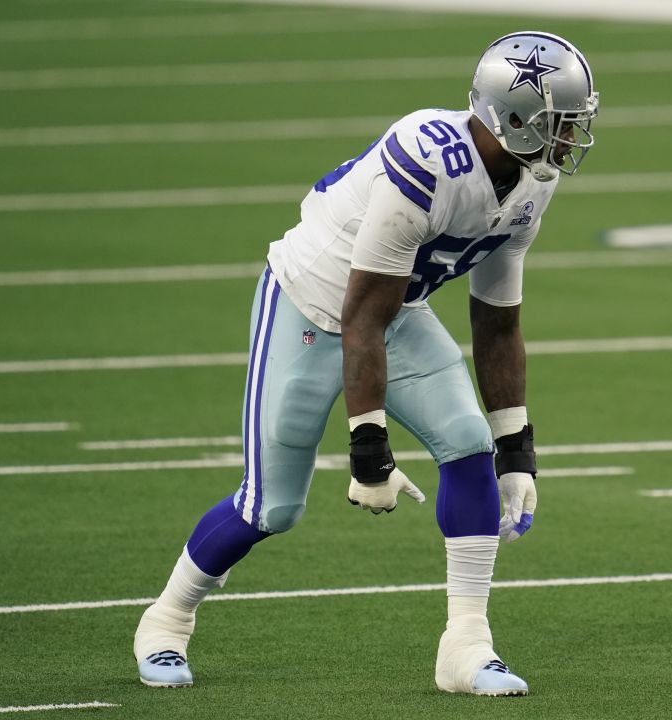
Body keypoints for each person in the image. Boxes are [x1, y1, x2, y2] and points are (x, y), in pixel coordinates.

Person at [132, 31, 599, 695]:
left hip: (392, 311)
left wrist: (516, 450)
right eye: (560, 124)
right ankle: (167, 618)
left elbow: (497, 320)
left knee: (468, 444)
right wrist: (368, 447)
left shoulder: (530, 183)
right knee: (272, 507)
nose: (569, 139)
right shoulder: (430, 159)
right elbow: (360, 317)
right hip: (312, 306)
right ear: (513, 119)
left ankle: (466, 646)